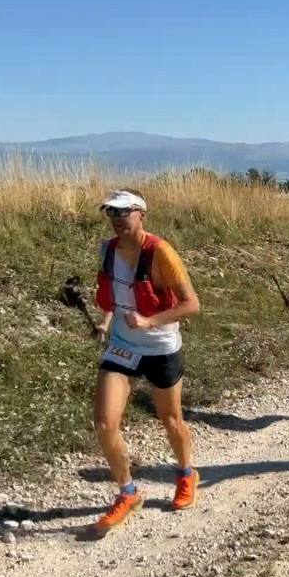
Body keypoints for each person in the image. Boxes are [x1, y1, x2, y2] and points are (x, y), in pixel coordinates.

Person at [91, 189, 202, 537]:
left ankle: (186, 473)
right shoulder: (107, 249)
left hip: (160, 345)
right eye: (112, 212)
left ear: (142, 214)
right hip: (122, 347)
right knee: (104, 423)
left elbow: (191, 304)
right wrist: (106, 322)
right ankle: (128, 492)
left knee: (171, 421)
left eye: (125, 212)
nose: (118, 219)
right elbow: (115, 292)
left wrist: (149, 321)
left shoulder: (160, 253)